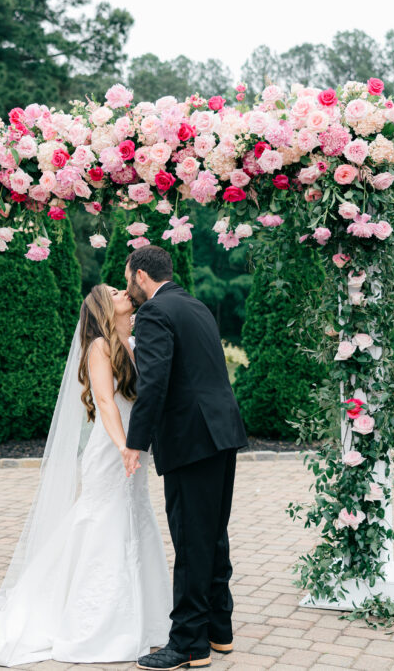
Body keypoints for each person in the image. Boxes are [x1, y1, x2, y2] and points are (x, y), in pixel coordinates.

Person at [0, 285, 172, 666]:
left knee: (136, 521)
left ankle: (148, 617)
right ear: (103, 307)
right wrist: (125, 446)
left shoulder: (133, 341)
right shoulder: (99, 346)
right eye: (114, 291)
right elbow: (107, 401)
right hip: (112, 450)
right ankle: (97, 623)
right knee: (104, 526)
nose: (122, 291)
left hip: (132, 450)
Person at [122, 246, 249, 671]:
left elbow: (153, 383)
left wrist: (134, 441)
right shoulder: (195, 306)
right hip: (221, 431)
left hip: (191, 439)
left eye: (128, 278)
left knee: (193, 540)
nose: (128, 287)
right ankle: (219, 629)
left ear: (141, 275)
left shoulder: (156, 313)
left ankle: (189, 646)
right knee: (212, 533)